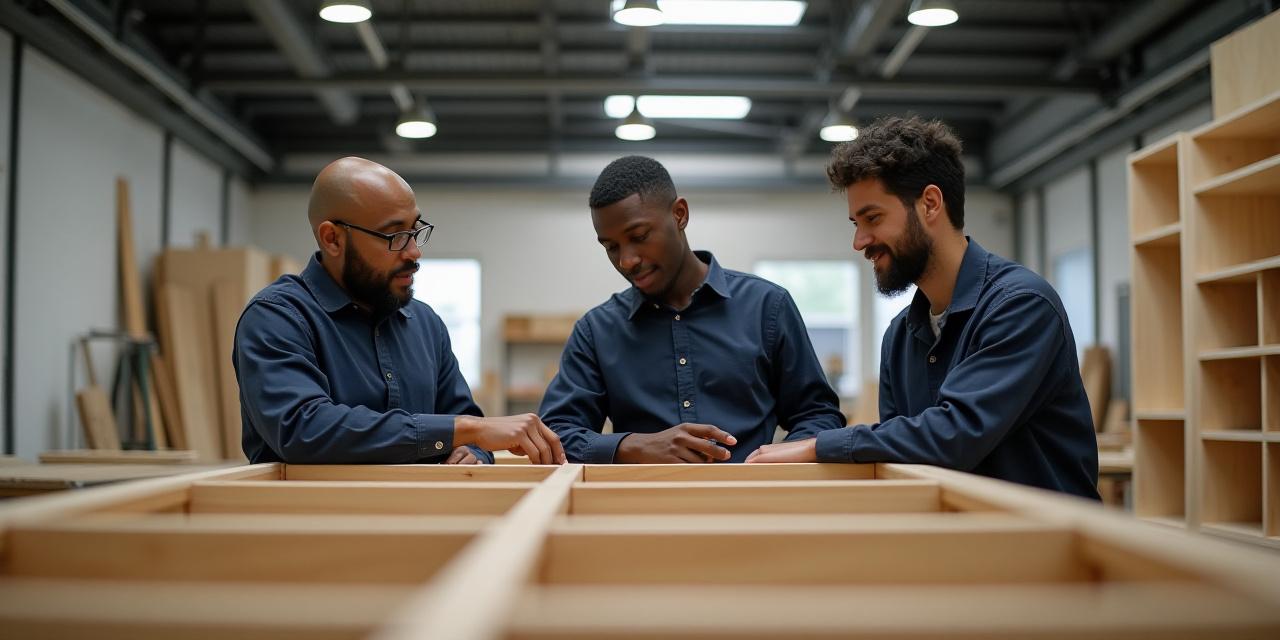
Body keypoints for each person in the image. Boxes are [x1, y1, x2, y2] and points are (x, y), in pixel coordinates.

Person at [746, 117, 1099, 500]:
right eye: (855, 222)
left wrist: (819, 445)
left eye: (873, 218)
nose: (859, 241)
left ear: (930, 203)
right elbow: (902, 461)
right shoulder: (901, 336)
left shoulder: (1021, 306)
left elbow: (956, 435)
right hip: (960, 547)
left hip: (1050, 546)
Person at [234, 156, 565, 465]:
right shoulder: (278, 318)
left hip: (419, 519)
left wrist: (472, 451)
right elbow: (303, 429)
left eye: (415, 230)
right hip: (311, 522)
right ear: (333, 239)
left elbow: (467, 422)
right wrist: (464, 431)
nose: (414, 251)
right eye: (394, 235)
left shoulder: (426, 324)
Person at [539, 155, 845, 463]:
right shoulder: (597, 331)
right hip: (639, 508)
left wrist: (775, 461)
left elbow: (818, 416)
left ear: (680, 214)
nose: (626, 260)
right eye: (611, 247)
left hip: (752, 504)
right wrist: (634, 446)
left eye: (639, 237)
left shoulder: (767, 307)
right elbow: (556, 435)